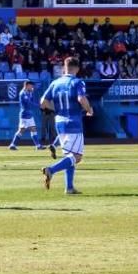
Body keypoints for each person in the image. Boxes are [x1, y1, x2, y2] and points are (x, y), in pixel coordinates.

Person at [40, 57, 93, 195]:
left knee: (69, 156)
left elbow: (43, 102)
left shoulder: (55, 83)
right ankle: (51, 170)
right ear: (77, 68)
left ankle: (69, 188)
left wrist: (55, 110)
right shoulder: (77, 82)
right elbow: (81, 99)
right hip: (73, 121)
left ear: (64, 68)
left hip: (59, 122)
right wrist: (89, 109)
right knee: (77, 156)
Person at [9, 81, 43, 150]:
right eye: (31, 86)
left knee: (33, 129)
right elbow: (29, 103)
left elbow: (31, 100)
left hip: (29, 114)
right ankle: (12, 145)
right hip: (25, 114)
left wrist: (32, 94)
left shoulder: (29, 92)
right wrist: (39, 105)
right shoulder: (23, 93)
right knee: (21, 130)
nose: (32, 87)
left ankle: (38, 146)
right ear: (27, 85)